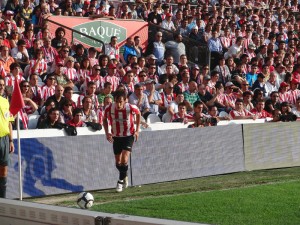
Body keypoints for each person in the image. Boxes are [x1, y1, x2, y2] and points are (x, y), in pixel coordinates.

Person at [103, 90, 141, 193]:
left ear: (125, 101)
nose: (119, 104)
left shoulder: (130, 107)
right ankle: (125, 175)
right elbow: (104, 119)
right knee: (118, 162)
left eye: (121, 101)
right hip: (116, 136)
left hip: (128, 135)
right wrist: (107, 133)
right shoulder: (109, 108)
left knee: (124, 159)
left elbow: (138, 114)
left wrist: (137, 130)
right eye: (117, 101)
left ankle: (120, 182)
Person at [0, 77, 14, 198]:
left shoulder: (5, 101)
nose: (1, 87)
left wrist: (11, 140)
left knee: (4, 169)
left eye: (3, 85)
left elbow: (9, 122)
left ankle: (3, 199)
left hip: (4, 139)